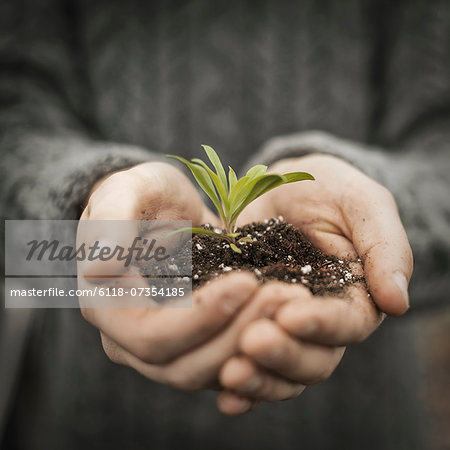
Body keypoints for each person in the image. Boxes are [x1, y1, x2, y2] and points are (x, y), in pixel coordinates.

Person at [0, 0, 449, 449]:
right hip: (87, 419)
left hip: (360, 425)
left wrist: (375, 218)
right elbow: (13, 122)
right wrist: (83, 215)